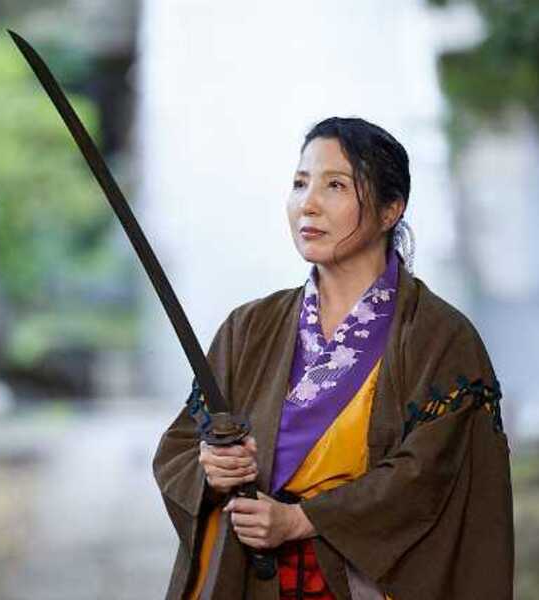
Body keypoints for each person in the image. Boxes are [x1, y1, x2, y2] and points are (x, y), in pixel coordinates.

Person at [152, 117, 514, 600]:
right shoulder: (249, 328)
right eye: (300, 183)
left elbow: (427, 476)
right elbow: (183, 444)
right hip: (257, 583)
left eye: (336, 185)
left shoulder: (439, 337)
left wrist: (303, 519)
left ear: (391, 210)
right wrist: (213, 470)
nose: (309, 204)